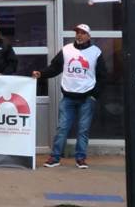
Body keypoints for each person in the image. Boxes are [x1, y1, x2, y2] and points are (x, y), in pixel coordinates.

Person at [34, 24, 106, 169]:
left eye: (83, 33)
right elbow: (55, 67)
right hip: (68, 97)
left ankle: (80, 158)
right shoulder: (67, 50)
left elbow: (102, 76)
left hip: (87, 97)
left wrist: (94, 96)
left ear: (89, 36)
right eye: (77, 32)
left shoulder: (96, 52)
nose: (79, 35)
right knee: (62, 128)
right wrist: (41, 74)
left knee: (83, 130)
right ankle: (55, 158)